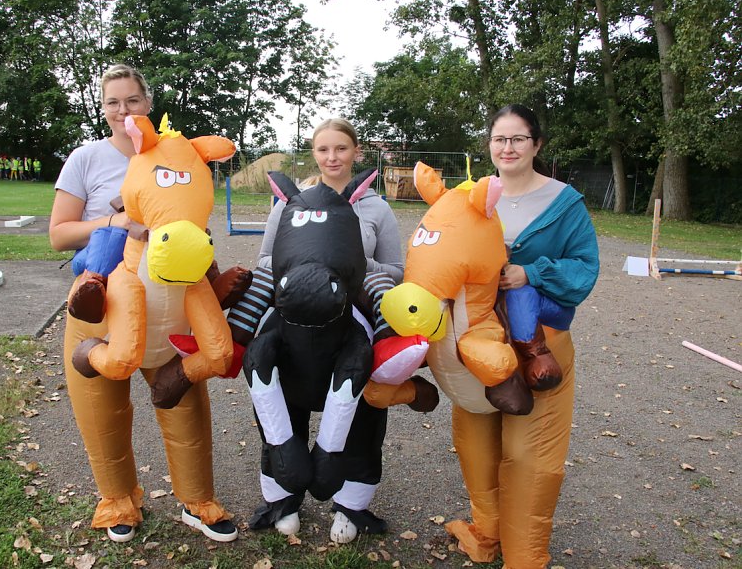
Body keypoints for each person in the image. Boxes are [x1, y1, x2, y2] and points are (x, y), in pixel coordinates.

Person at [48, 63, 238, 545]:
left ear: (147, 105)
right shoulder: (86, 158)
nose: (122, 110)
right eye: (113, 101)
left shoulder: (174, 153)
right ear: (103, 107)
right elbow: (58, 234)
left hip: (172, 299)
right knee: (101, 408)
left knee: (184, 402)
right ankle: (117, 500)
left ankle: (197, 500)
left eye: (131, 100)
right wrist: (115, 224)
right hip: (103, 302)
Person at [230, 118, 417, 543]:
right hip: (295, 316)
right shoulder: (288, 203)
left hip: (352, 316)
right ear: (313, 153)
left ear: (356, 153)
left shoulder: (375, 207)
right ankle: (283, 496)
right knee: (280, 409)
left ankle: (352, 503)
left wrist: (345, 264)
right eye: (323, 149)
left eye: (341, 149)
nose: (332, 157)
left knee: (363, 415)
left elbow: (397, 268)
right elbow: (266, 259)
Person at [445, 104, 599, 568]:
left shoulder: (563, 202)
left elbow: (585, 269)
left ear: (537, 145)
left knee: (529, 452)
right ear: (489, 144)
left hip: (539, 343)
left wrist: (531, 272)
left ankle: (526, 555)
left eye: (517, 139)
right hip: (476, 339)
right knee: (475, 438)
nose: (507, 148)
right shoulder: (466, 196)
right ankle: (486, 533)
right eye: (499, 139)